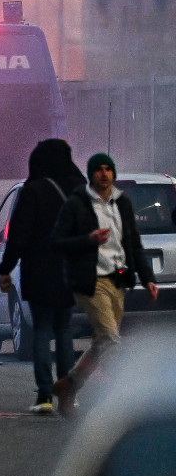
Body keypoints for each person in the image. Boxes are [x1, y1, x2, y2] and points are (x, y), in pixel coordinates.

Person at [51, 151, 158, 414]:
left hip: (117, 280)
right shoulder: (77, 204)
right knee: (111, 340)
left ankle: (69, 385)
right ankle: (125, 397)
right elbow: (57, 242)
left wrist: (148, 279)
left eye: (108, 169)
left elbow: (133, 242)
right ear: (91, 174)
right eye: (98, 169)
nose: (104, 173)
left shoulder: (122, 203)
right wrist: (88, 239)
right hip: (90, 282)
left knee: (101, 342)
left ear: (113, 173)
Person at [0, 139, 85, 414]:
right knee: (65, 330)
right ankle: (69, 392)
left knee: (42, 331)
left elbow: (19, 235)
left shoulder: (32, 191)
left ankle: (45, 395)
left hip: (38, 270)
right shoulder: (79, 189)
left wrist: (5, 268)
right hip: (70, 270)